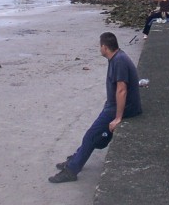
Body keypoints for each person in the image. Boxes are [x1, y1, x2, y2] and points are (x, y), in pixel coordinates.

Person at [48, 32, 142, 183]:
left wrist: (118, 117)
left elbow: (122, 89)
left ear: (105, 47)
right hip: (113, 106)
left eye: (100, 46)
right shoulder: (117, 58)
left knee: (91, 136)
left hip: (123, 108)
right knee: (92, 135)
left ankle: (72, 171)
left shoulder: (119, 61)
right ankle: (75, 159)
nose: (100, 49)